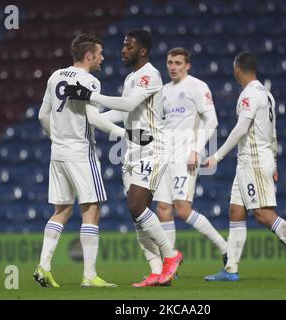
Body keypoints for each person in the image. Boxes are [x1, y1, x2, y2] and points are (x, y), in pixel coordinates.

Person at [64, 29, 183, 287]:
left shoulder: (150, 75)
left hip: (152, 147)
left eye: (128, 46)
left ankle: (171, 256)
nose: (122, 50)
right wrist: (90, 121)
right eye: (123, 45)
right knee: (137, 214)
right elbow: (122, 115)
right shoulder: (131, 78)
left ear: (142, 51)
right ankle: (155, 272)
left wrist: (90, 96)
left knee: (136, 205)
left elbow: (127, 105)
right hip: (132, 150)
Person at [203, 51, 286, 282]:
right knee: (236, 211)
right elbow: (273, 132)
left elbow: (241, 128)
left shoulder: (248, 95)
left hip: (254, 161)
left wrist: (217, 156)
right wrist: (275, 162)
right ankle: (231, 269)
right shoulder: (266, 94)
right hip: (250, 161)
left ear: (237, 69)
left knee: (263, 214)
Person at [34, 33, 126, 288]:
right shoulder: (90, 81)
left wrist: (57, 138)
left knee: (62, 210)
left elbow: (43, 115)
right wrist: (124, 134)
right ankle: (89, 275)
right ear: (89, 55)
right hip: (81, 153)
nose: (103, 58)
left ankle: (43, 266)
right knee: (92, 209)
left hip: (58, 152)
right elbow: (94, 119)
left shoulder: (55, 76)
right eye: (100, 53)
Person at [152, 47, 228, 274]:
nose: (173, 67)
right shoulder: (163, 91)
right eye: (170, 63)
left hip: (185, 155)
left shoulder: (197, 87)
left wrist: (196, 149)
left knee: (183, 210)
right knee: (163, 209)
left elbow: (212, 121)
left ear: (188, 65)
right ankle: (170, 261)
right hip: (165, 155)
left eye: (177, 63)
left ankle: (225, 248)